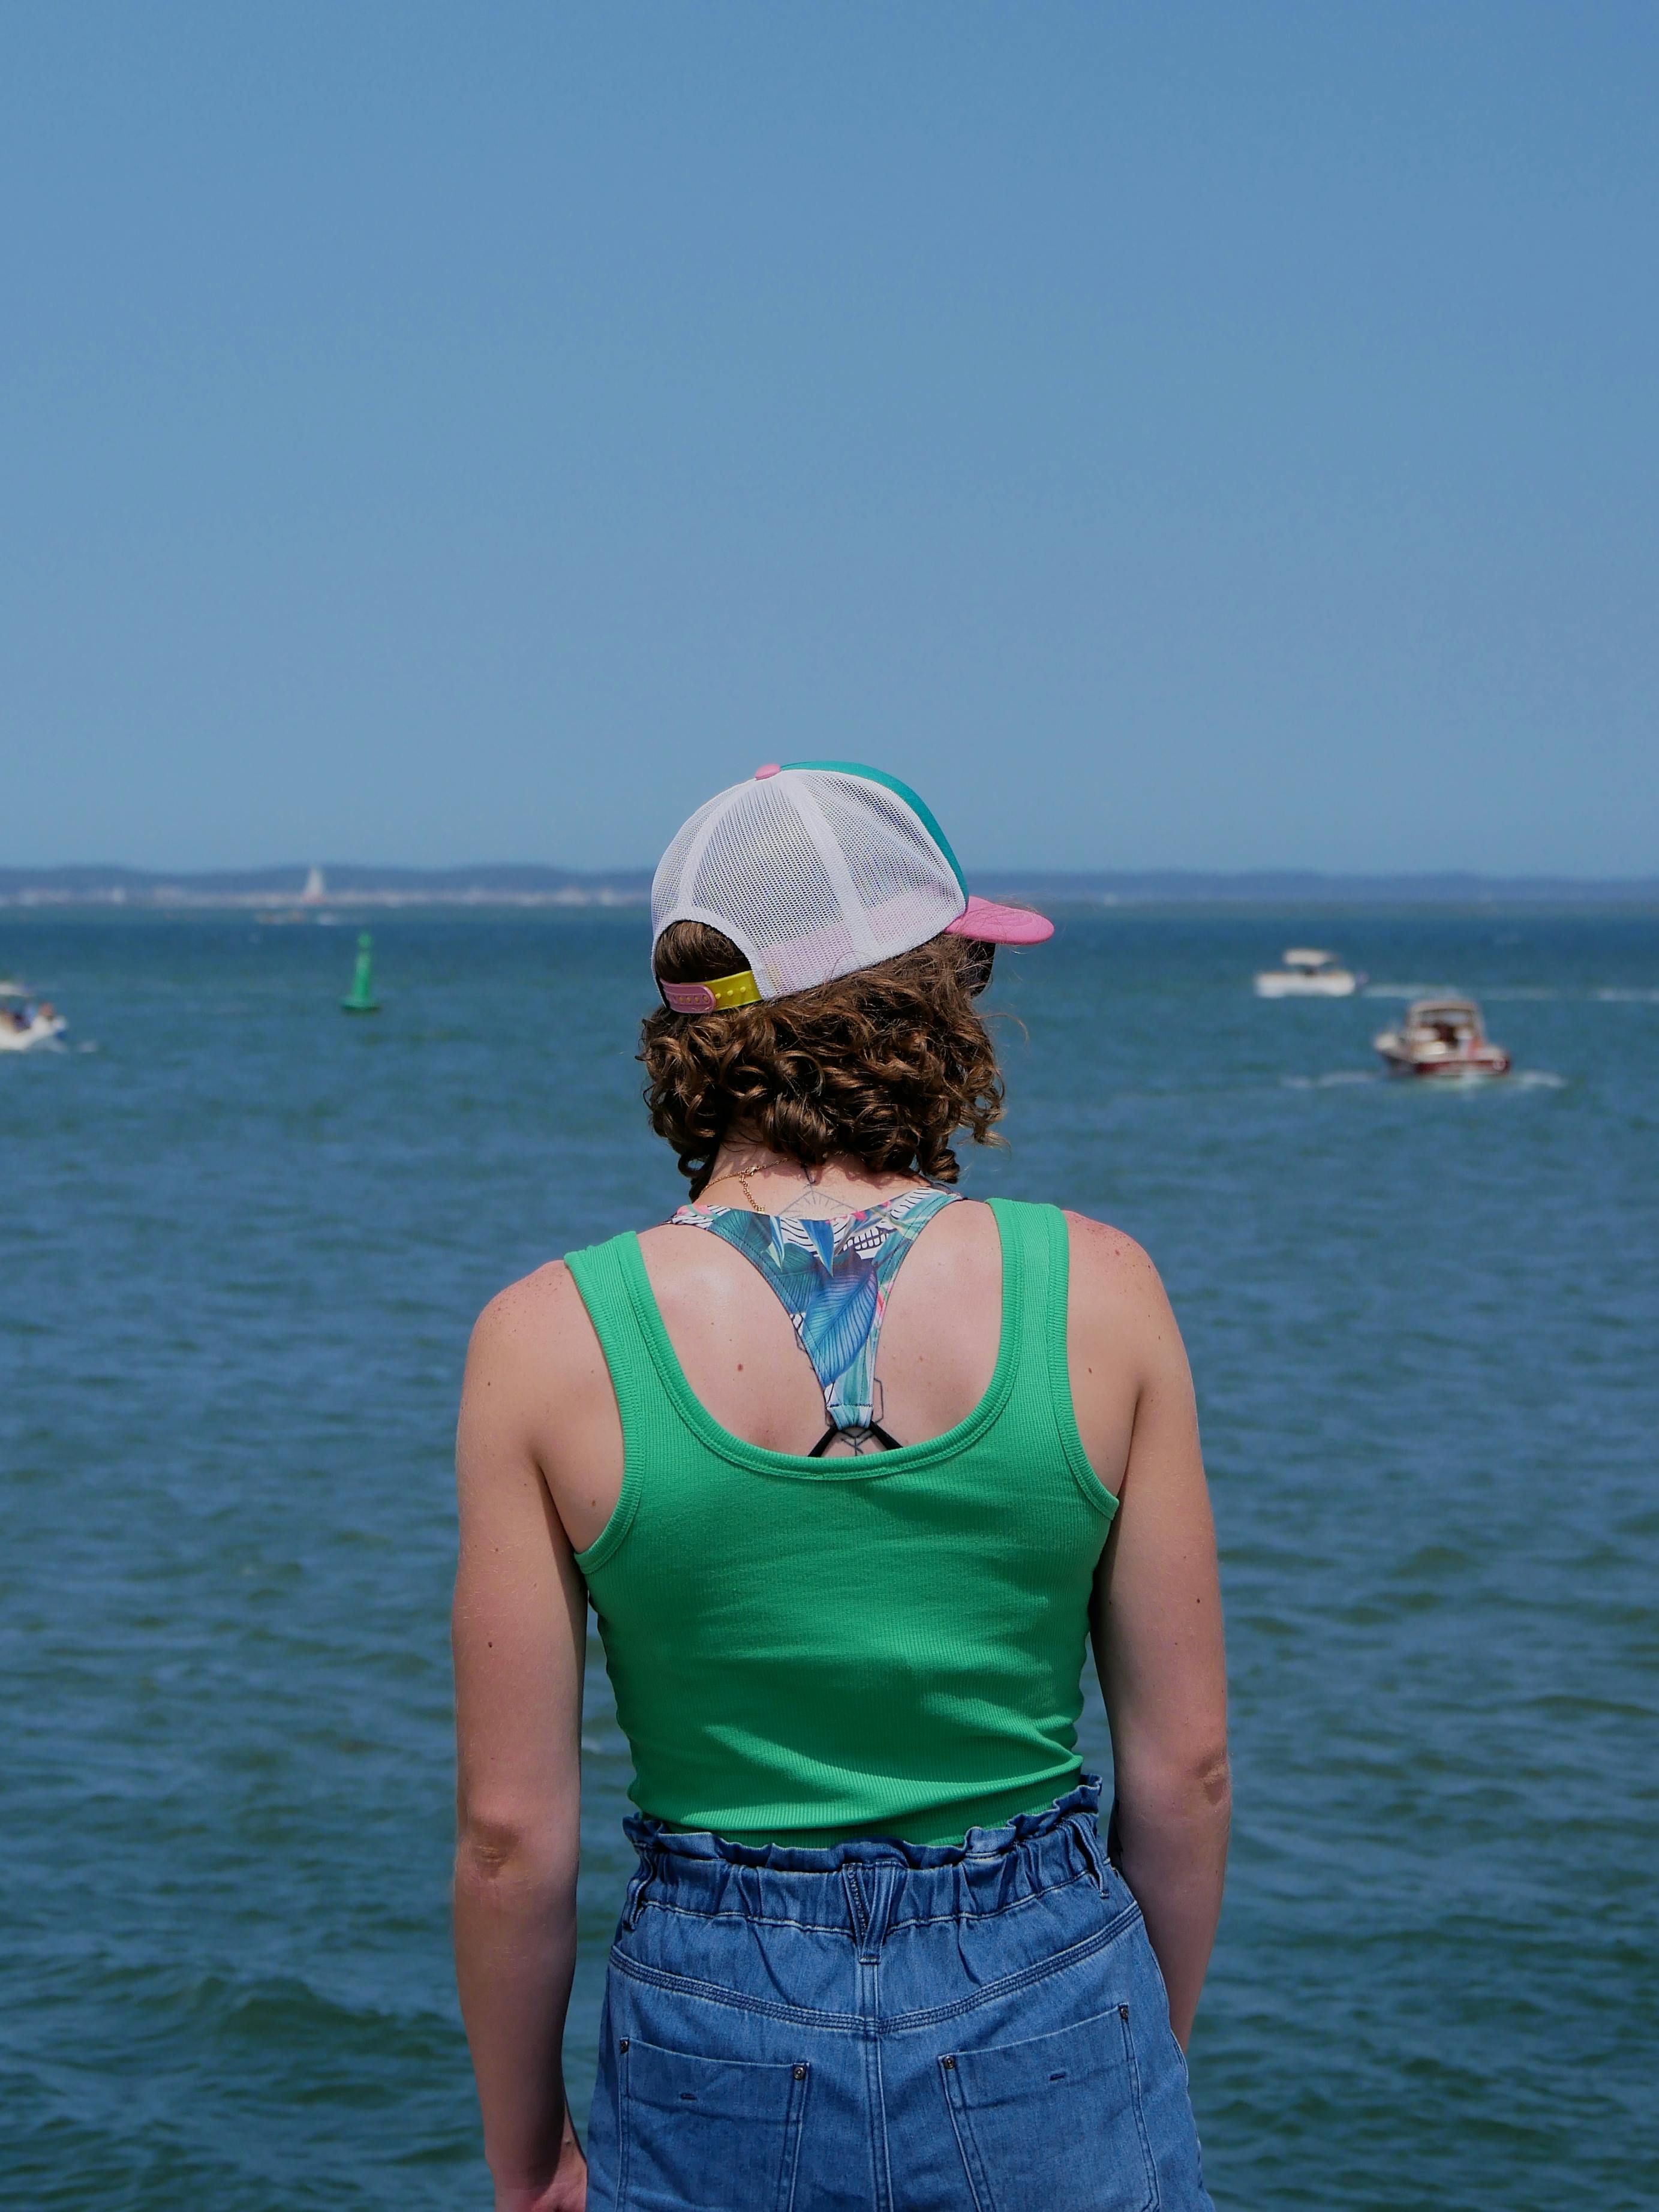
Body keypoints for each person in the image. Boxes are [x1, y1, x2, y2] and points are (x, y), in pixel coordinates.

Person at [453, 763, 1230, 2212]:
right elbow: (1184, 1773)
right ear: (925, 999)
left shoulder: (545, 1337)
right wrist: (1130, 2053)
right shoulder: (1103, 1291)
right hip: (1051, 1987)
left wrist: (529, 2163)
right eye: (972, 962)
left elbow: (512, 1834)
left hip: (711, 2014)